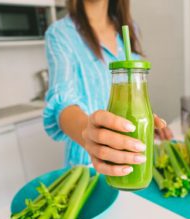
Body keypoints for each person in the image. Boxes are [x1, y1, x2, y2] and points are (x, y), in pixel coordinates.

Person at [44, 0, 173, 177]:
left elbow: (133, 90)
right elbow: (61, 103)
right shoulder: (60, 33)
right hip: (88, 163)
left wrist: (147, 119)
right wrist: (89, 132)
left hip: (134, 155)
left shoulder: (128, 29)